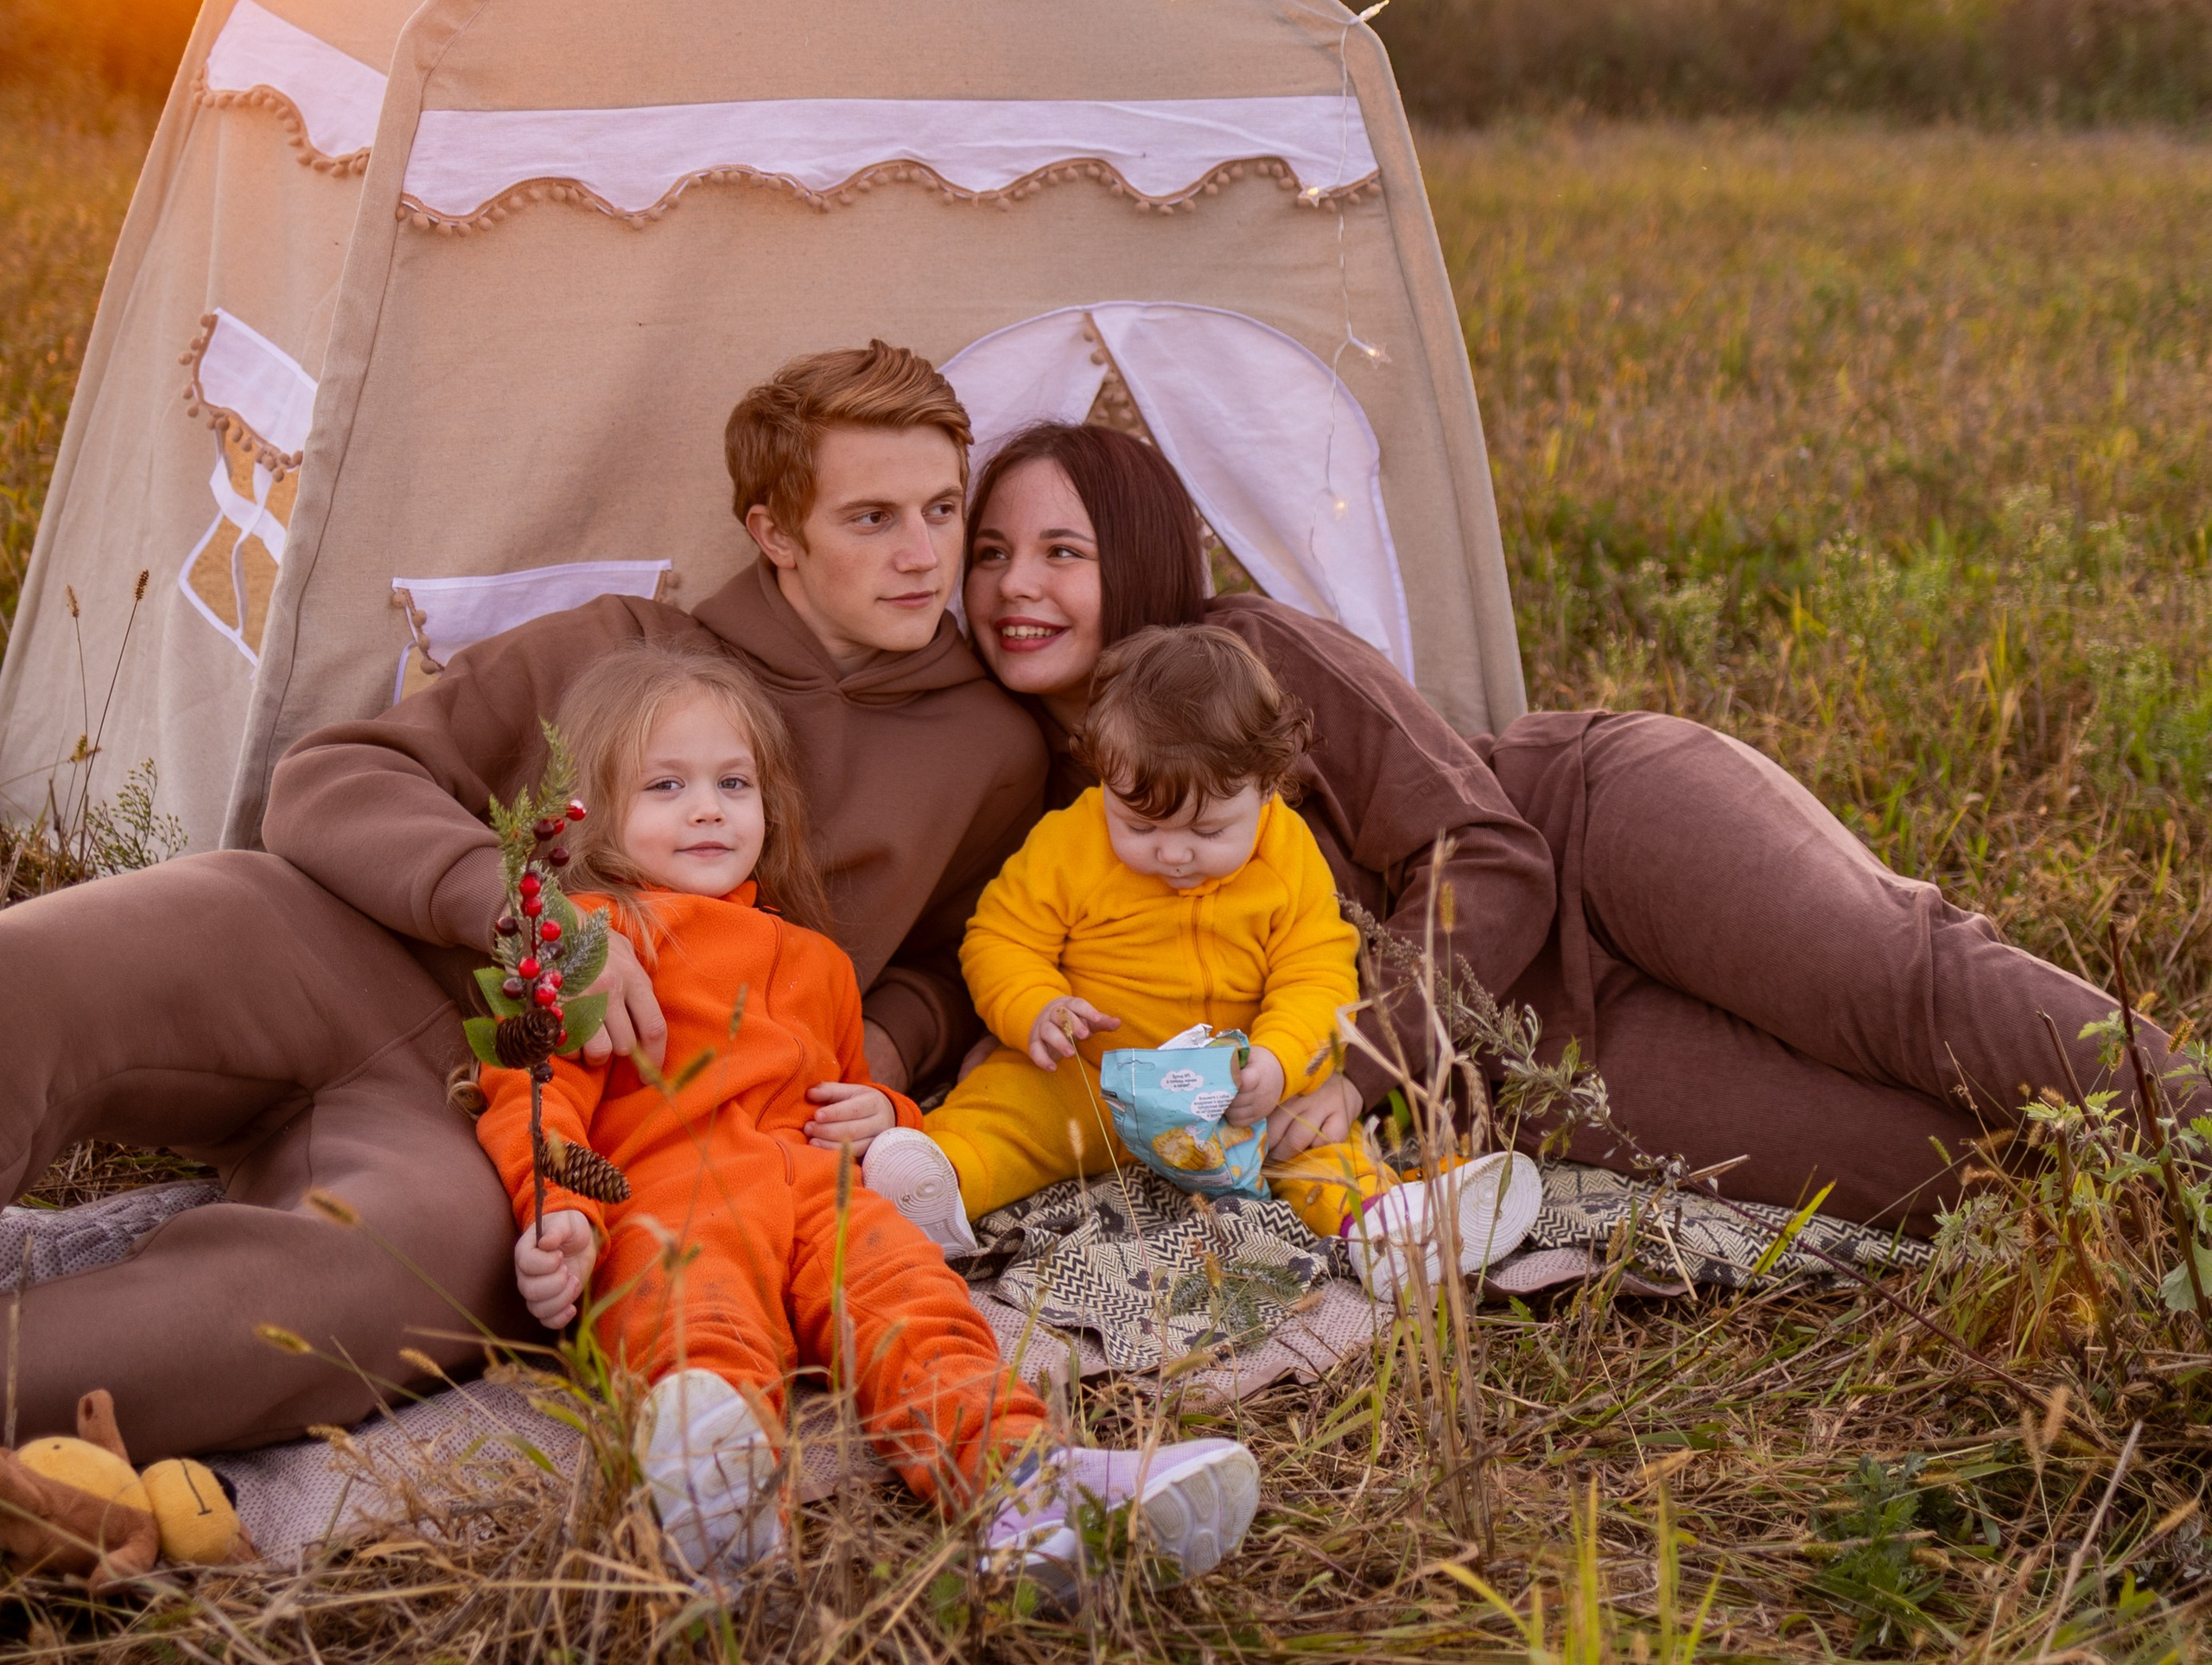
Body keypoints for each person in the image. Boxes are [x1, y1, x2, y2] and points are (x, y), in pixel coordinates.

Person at [0, 343, 1046, 1460]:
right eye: (873, 517)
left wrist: (873, 1058)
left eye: (943, 507)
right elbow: (334, 776)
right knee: (33, 973)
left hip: (529, 1125)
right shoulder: (623, 642)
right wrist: (525, 913)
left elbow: (952, 957)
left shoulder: (989, 747)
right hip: (337, 954)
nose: (926, 555)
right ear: (774, 531)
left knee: (362, 1280)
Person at [956, 421, 2209, 1232]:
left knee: (1890, 984)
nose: (1017, 584)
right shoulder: (1038, 788)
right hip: (1524, 1053)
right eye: (993, 551)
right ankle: (2159, 1237)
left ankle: (2196, 1128)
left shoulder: (1252, 653)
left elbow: (1487, 854)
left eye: (1061, 549)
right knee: (1910, 1173)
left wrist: (1358, 1065)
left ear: (1135, 553)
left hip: (1597, 833)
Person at [484, 645, 1260, 1595]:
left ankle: (1027, 1487)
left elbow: (849, 1096)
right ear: (592, 816)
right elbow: (533, 1087)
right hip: (671, 1193)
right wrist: (558, 1206)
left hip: (816, 1191)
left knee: (918, 1308)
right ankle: (718, 1496)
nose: (707, 808)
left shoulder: (815, 961)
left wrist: (884, 1111)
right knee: (692, 1320)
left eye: (734, 782)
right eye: (666, 785)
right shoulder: (602, 938)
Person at [866, 628, 1385, 1247]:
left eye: (1208, 830)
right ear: (1104, 775)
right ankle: (935, 1186)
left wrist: (1278, 1060)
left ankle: (1381, 1230)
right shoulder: (1071, 844)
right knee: (1001, 1111)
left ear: (1268, 787)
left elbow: (1319, 973)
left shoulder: (1288, 855)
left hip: (1234, 1094)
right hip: (1089, 1076)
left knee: (1317, 1137)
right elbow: (999, 938)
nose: (1171, 851)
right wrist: (1037, 1007)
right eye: (1138, 823)